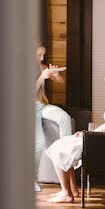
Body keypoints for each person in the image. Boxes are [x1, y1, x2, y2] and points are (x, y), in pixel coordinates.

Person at [44, 60, 105, 203]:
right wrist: (84, 133)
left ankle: (66, 193)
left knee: (58, 148)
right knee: (63, 143)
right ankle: (73, 190)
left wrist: (86, 135)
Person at [34, 43, 72, 192]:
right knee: (39, 141)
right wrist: (41, 77)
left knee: (64, 118)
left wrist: (55, 73)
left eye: (43, 55)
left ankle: (66, 154)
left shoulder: (41, 66)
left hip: (43, 106)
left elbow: (60, 81)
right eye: (39, 55)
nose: (42, 58)